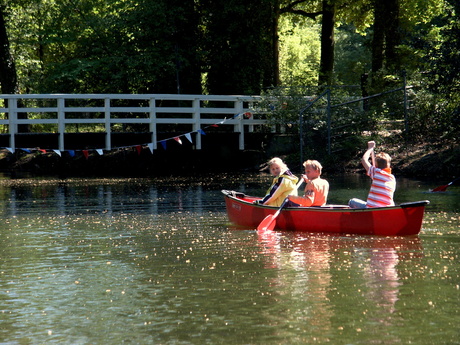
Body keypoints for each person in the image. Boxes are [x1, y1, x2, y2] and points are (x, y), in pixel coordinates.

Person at [349, 141, 396, 208]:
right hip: (388, 208)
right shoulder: (392, 178)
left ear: (376, 166)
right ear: (388, 165)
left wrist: (370, 148)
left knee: (352, 201)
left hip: (372, 209)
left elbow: (364, 160)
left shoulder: (375, 172)